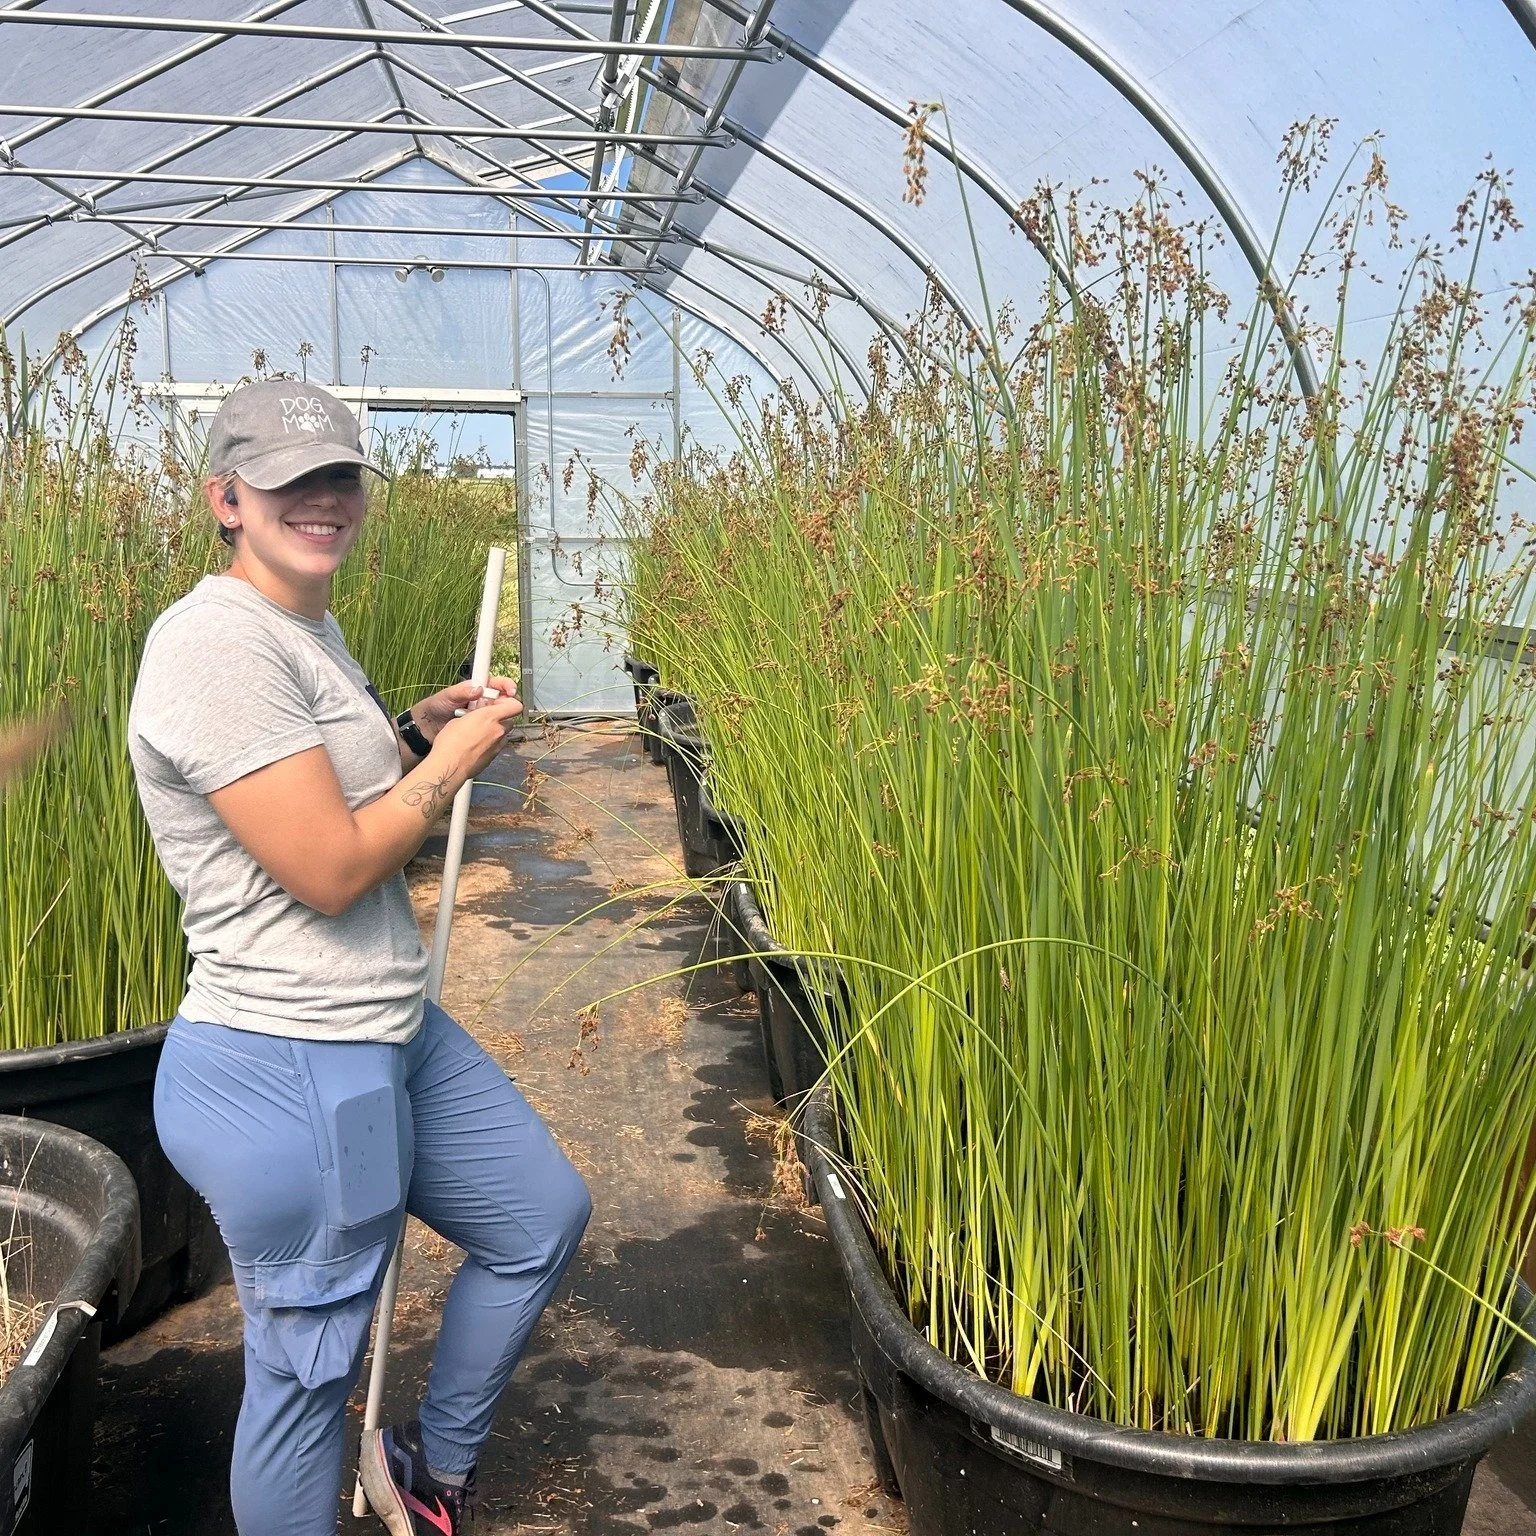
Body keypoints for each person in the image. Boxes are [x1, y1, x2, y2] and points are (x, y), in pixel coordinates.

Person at [128, 380, 590, 1536]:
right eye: (290, 482)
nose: (323, 501)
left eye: (339, 476)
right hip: (290, 1056)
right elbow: (330, 868)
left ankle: (426, 1466)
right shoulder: (213, 644)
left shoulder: (302, 628)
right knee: (305, 1379)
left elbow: (318, 790)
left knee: (537, 1215)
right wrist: (451, 771)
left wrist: (411, 735)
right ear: (226, 498)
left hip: (381, 1023)